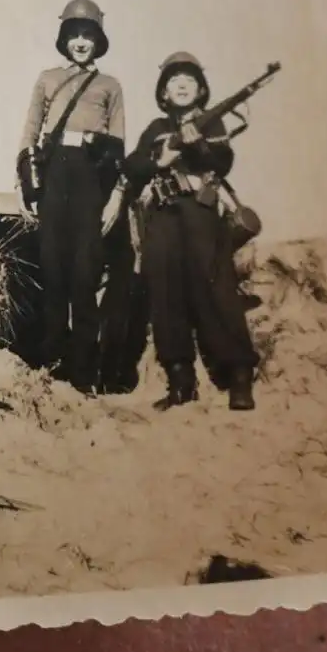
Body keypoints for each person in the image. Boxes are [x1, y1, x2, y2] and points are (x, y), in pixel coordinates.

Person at [121, 51, 259, 410]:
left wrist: (196, 141)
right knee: (165, 292)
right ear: (163, 93)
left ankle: (239, 377)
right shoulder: (155, 129)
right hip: (163, 216)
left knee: (217, 288)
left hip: (199, 211)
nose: (181, 85)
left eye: (189, 80)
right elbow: (132, 166)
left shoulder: (211, 125)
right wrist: (158, 160)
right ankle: (181, 380)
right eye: (173, 80)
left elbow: (222, 162)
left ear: (201, 90)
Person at [16, 0, 125, 395]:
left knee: (85, 273)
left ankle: (83, 373)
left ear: (98, 41)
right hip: (54, 172)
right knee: (53, 270)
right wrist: (23, 184)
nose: (81, 42)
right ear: (65, 40)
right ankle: (51, 363)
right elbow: (29, 131)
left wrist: (114, 196)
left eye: (89, 35)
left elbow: (117, 148)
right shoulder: (48, 78)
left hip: (90, 179)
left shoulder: (110, 86)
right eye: (74, 35)